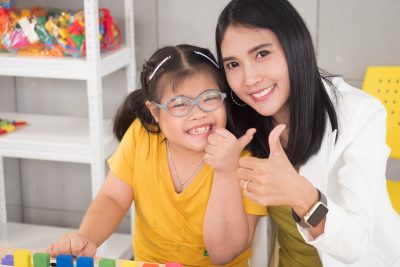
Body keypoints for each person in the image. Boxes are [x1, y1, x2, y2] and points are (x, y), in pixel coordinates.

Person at [214, 0, 400, 266]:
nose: (249, 78)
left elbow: (355, 245)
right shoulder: (242, 123)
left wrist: (301, 195)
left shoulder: (359, 113)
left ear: (295, 46)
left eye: (262, 54)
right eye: (233, 64)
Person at [46, 44, 266, 267]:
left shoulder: (244, 156)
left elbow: (223, 254)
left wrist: (226, 171)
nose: (198, 113)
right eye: (179, 104)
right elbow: (112, 198)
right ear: (155, 112)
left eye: (209, 98)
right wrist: (86, 238)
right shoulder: (142, 136)